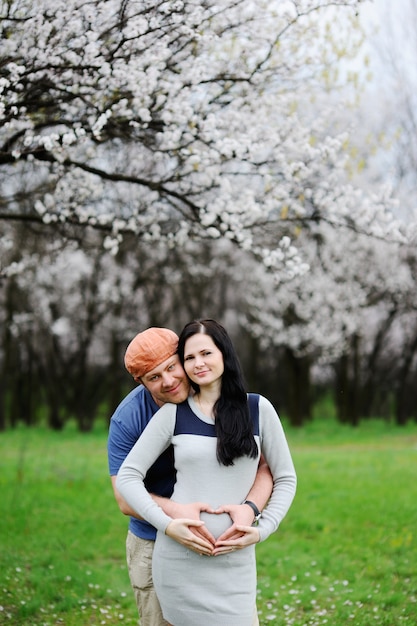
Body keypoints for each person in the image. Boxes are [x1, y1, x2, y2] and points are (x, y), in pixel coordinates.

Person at [116, 319, 297, 626]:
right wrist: (168, 524)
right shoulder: (173, 414)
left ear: (224, 354)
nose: (198, 363)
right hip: (178, 562)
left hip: (234, 564)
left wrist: (261, 526)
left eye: (206, 353)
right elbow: (127, 478)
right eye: (189, 358)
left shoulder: (258, 409)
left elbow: (285, 477)